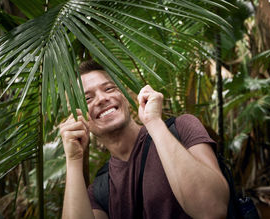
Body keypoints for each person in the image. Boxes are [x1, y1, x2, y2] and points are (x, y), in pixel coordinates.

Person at [60, 60, 229, 219]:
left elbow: (212, 209)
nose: (102, 98)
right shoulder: (100, 189)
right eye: (87, 98)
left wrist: (154, 122)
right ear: (77, 117)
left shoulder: (181, 128)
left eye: (109, 88)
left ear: (124, 95)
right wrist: (74, 160)